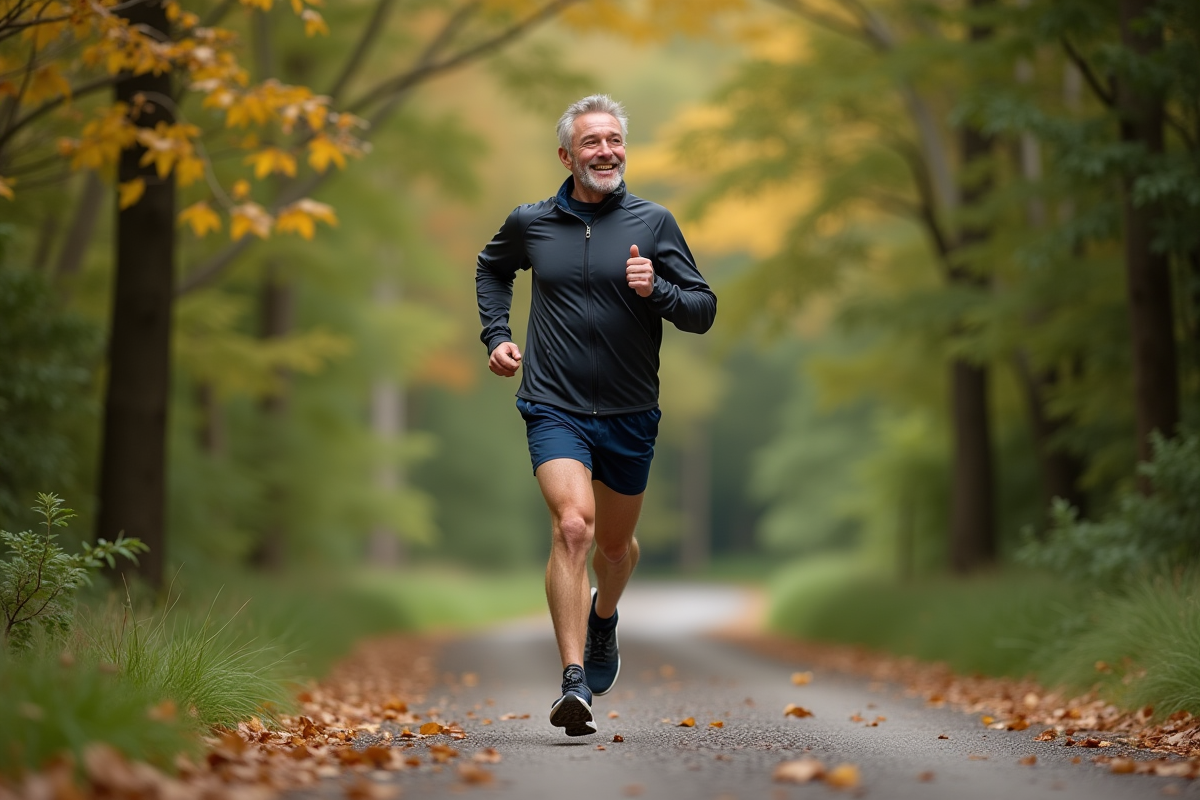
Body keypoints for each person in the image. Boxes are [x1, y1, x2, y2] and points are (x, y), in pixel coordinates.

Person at [475, 94, 717, 737]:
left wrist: (656, 290)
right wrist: (495, 334)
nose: (605, 151)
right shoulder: (532, 223)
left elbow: (702, 309)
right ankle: (573, 682)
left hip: (632, 412)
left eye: (614, 140)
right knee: (574, 528)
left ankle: (604, 615)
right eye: (591, 142)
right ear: (566, 155)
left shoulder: (654, 222)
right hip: (553, 403)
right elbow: (492, 268)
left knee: (613, 547)